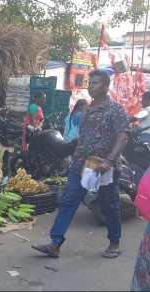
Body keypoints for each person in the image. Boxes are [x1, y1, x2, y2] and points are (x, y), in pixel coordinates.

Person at [32, 70, 129, 259]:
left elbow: (123, 136)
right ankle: (55, 243)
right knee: (69, 200)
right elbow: (83, 138)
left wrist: (109, 160)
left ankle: (114, 242)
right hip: (82, 163)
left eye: (96, 83)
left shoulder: (115, 110)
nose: (91, 86)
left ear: (106, 86)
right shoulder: (88, 110)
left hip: (103, 166)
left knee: (109, 204)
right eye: (90, 82)